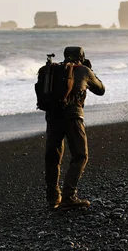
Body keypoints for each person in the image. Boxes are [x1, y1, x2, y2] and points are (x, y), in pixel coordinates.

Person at [43, 46, 105, 210]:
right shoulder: (83, 70)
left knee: (53, 157)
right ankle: (69, 196)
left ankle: (53, 197)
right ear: (81, 56)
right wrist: (90, 70)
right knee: (80, 155)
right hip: (73, 116)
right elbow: (100, 90)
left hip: (53, 117)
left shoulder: (52, 70)